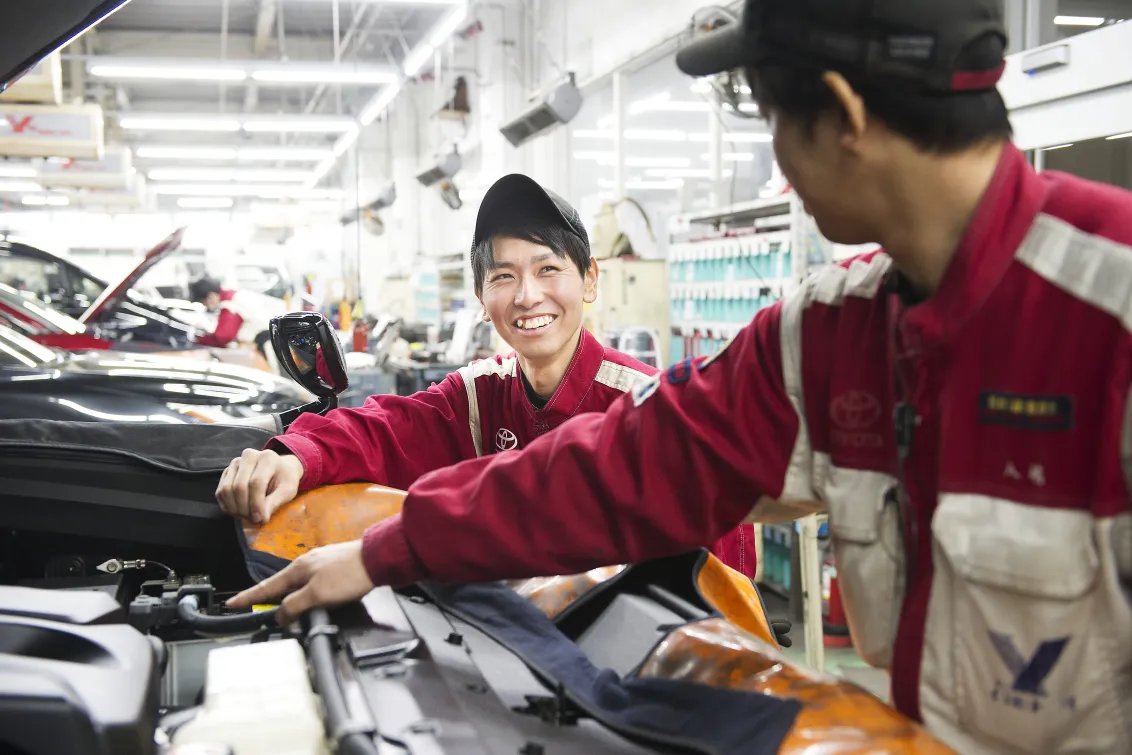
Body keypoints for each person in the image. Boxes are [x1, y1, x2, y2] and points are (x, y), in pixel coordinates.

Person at [228, 1, 1132, 751]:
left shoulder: (1115, 311)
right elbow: (620, 469)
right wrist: (387, 547)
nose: (777, 162)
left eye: (775, 119)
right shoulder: (828, 338)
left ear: (846, 116)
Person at [216, 174, 760, 576]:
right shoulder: (481, 395)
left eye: (549, 269)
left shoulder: (645, 403)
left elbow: (726, 570)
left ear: (589, 280)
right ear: (482, 298)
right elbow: (386, 427)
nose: (528, 296)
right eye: (504, 276)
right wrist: (293, 456)